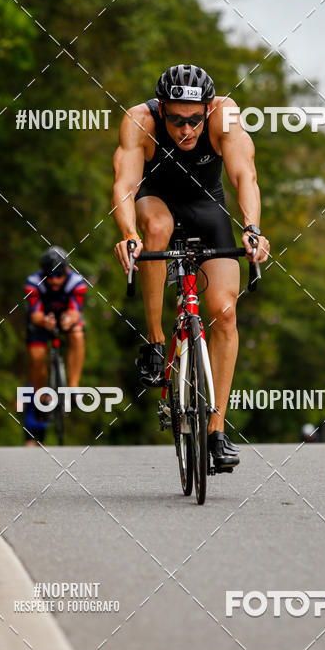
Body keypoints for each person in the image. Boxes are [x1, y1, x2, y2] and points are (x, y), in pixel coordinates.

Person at [112, 63, 269, 470]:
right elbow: (125, 185)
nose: (186, 130)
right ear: (161, 109)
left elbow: (245, 175)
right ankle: (155, 340)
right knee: (156, 229)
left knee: (225, 313)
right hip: (155, 199)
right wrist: (129, 234)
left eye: (195, 120)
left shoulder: (225, 114)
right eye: (177, 120)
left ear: (208, 110)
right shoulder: (140, 120)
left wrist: (252, 228)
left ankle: (216, 430)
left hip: (206, 207)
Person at [23, 246, 87, 446]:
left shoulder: (77, 282)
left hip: (66, 319)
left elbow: (76, 311)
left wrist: (69, 320)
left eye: (59, 275)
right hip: (41, 321)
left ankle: (73, 386)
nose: (54, 281)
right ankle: (42, 396)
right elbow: (35, 314)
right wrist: (44, 321)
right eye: (50, 276)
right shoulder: (33, 282)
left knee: (77, 333)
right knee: (36, 356)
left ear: (66, 271)